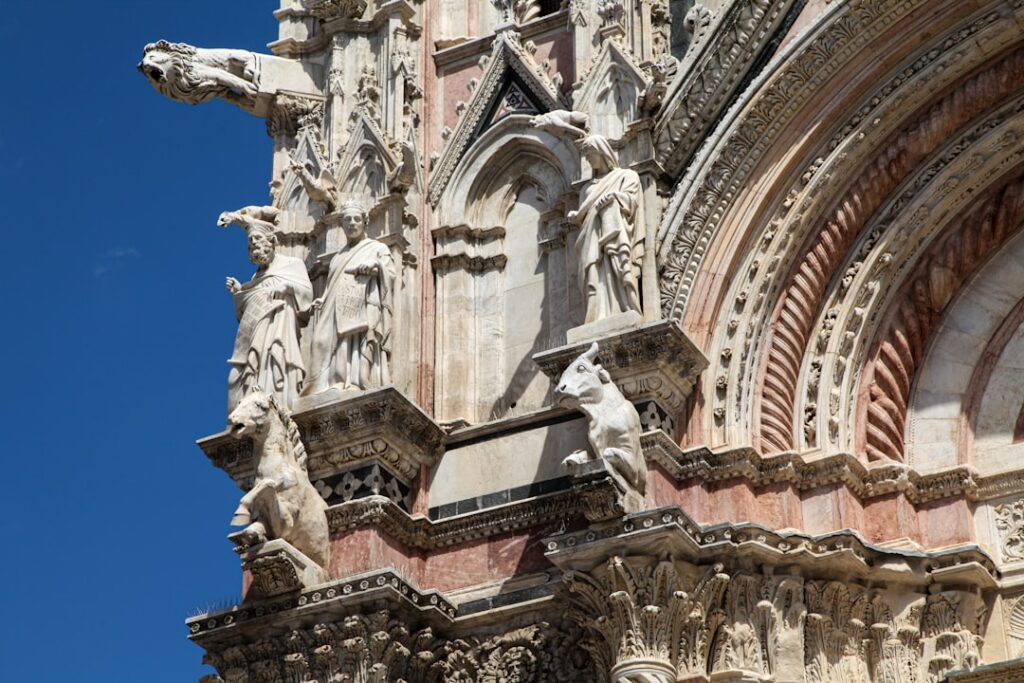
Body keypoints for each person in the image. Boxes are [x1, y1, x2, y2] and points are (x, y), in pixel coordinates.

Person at [223, 212, 313, 413]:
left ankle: (280, 400)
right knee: (253, 363)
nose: (253, 245)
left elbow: (307, 294)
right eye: (250, 244)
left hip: (280, 325)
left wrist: (288, 288)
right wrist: (240, 292)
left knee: (276, 357)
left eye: (257, 240)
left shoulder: (292, 265)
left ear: (271, 242)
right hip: (257, 329)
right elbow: (246, 309)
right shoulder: (257, 276)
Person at [306, 200, 396, 393]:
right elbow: (332, 285)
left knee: (358, 341)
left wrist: (375, 267)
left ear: (365, 222)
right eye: (347, 220)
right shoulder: (337, 257)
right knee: (323, 343)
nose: (352, 223)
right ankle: (337, 380)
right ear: (342, 224)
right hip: (339, 306)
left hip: (365, 304)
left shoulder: (377, 248)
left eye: (356, 219)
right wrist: (322, 299)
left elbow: (391, 273)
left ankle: (357, 380)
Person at [568, 134, 645, 323]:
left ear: (602, 152)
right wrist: (575, 216)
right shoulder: (586, 188)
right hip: (590, 237)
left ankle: (624, 305)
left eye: (590, 154)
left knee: (616, 265)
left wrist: (614, 198)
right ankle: (595, 314)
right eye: (585, 155)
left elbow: (632, 202)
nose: (588, 159)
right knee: (593, 274)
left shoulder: (626, 176)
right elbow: (583, 215)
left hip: (615, 234)